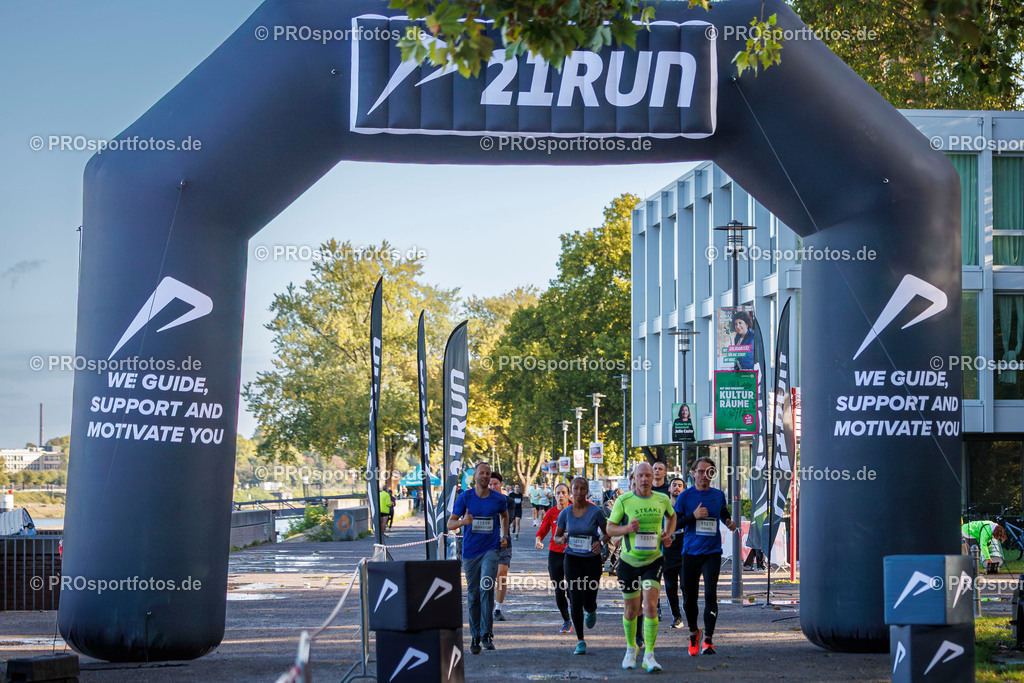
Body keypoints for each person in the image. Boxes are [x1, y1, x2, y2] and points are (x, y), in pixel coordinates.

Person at [606, 462, 676, 672]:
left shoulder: (662, 499)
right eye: (641, 476)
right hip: (629, 562)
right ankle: (631, 649)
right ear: (634, 479)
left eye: (648, 475)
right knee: (632, 609)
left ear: (653, 478)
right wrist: (627, 528)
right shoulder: (624, 500)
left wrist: (668, 534)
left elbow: (672, 516)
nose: (645, 479)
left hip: (653, 560)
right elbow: (610, 528)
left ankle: (649, 655)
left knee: (651, 605)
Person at [675, 457, 737, 656]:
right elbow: (674, 524)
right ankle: (694, 633)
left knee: (710, 594)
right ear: (693, 473)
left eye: (709, 471)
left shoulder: (718, 495)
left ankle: (708, 639)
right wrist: (692, 516)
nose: (704, 475)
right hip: (690, 553)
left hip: (712, 552)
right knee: (689, 598)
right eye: (700, 471)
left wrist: (728, 521)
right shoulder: (685, 497)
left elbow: (723, 512)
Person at [448, 461, 509, 654]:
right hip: (470, 552)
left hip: (491, 549)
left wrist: (505, 535)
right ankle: (475, 636)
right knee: (473, 595)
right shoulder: (465, 497)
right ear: (474, 476)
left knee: (486, 587)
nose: (484, 476)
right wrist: (463, 522)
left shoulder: (498, 499)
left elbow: (505, 516)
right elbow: (450, 524)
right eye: (481, 473)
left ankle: (486, 634)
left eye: (487, 473)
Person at [554, 476, 609, 655]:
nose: (578, 492)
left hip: (592, 559)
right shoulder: (565, 513)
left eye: (582, 489)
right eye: (575, 488)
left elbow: (608, 532)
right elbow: (556, 537)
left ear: (587, 491)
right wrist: (562, 539)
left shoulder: (595, 511)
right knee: (575, 599)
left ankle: (591, 609)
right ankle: (580, 640)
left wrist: (600, 543)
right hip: (572, 559)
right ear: (571, 491)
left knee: (589, 598)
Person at [536, 482, 573, 633]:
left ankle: (576, 614)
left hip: (572, 553)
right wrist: (538, 540)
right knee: (559, 590)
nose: (561, 496)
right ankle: (566, 621)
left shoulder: (575, 510)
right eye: (558, 493)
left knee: (572, 589)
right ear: (554, 495)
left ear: (569, 495)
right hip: (555, 554)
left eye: (564, 493)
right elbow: (542, 530)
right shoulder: (551, 513)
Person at [663, 477, 687, 628]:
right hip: (668, 550)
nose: (677, 487)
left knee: (685, 585)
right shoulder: (663, 507)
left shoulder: (687, 507)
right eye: (674, 485)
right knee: (670, 586)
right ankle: (677, 617)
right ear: (669, 489)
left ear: (683, 489)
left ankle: (687, 607)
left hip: (684, 550)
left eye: (680, 485)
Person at [489, 471, 513, 621]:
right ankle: (487, 605)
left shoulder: (508, 501)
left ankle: (498, 608)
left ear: (501, 484)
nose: (492, 487)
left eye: (495, 484)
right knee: (487, 576)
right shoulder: (482, 500)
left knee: (501, 574)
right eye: (490, 484)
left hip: (504, 542)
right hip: (485, 542)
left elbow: (508, 520)